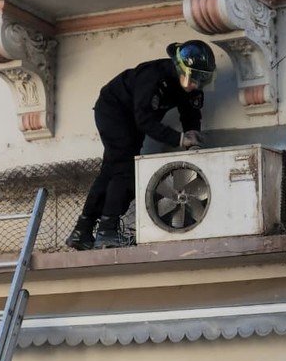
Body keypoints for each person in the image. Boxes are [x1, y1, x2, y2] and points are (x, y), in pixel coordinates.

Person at [66, 40, 217, 250]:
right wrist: (179, 139)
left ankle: (82, 229)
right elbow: (145, 121)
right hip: (114, 110)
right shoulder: (154, 77)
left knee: (110, 170)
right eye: (195, 79)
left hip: (133, 119)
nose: (197, 85)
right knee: (125, 169)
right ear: (181, 69)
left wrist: (193, 143)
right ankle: (107, 231)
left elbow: (191, 113)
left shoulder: (190, 87)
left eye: (203, 80)